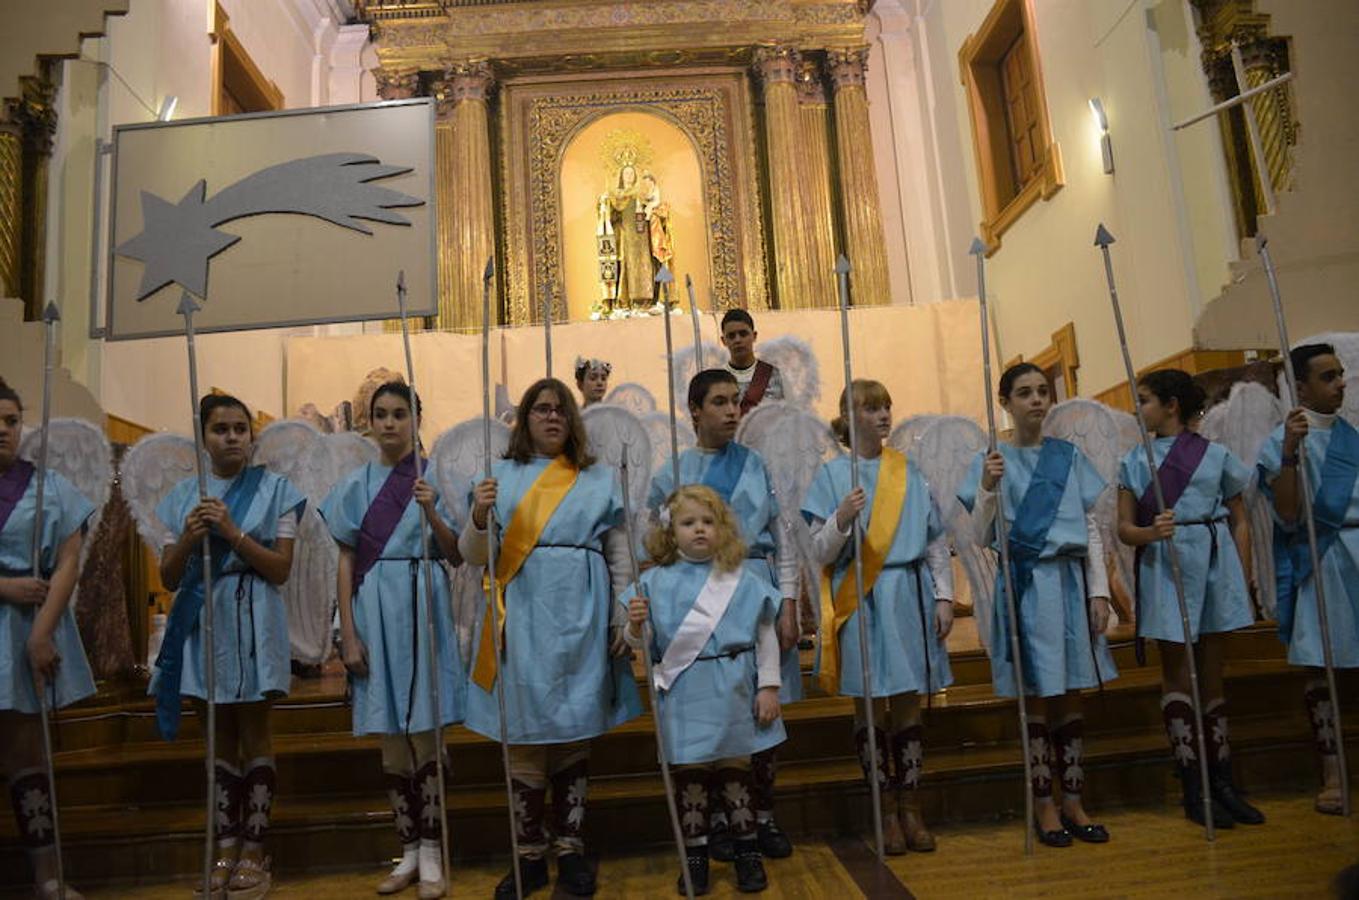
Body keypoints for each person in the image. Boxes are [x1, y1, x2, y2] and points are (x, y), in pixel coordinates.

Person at [461, 378, 641, 899]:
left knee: (572, 731)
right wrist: (478, 514)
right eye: (541, 408)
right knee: (525, 734)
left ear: (573, 419)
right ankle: (527, 857)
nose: (552, 417)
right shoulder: (499, 477)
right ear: (525, 418)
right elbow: (477, 557)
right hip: (522, 615)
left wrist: (620, 616)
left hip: (583, 612)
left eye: (560, 409)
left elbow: (620, 552)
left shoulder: (597, 477)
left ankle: (570, 850)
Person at [957, 362, 1117, 847]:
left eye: (1043, 392)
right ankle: (1043, 803)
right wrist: (987, 487)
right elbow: (983, 535)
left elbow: (1088, 528)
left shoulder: (1067, 457)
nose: (1036, 401)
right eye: (1024, 393)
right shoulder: (993, 460)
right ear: (1005, 401)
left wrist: (1099, 589)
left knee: (1071, 692)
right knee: (1037, 695)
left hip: (1069, 581)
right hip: (1026, 587)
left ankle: (1073, 798)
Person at [153, 393, 306, 896]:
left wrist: (232, 532)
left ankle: (256, 848)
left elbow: (280, 569)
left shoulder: (276, 490)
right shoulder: (183, 499)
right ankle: (224, 845)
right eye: (221, 429)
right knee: (218, 739)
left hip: (256, 617)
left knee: (255, 735)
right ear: (204, 436)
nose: (233, 437)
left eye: (241, 428)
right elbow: (170, 577)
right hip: (205, 621)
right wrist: (189, 538)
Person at [319, 382, 465, 899]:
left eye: (399, 414)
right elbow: (344, 559)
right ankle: (406, 849)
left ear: (416, 419)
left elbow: (455, 553)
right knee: (390, 735)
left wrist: (430, 511)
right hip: (373, 607)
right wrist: (348, 633)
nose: (389, 423)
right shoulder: (355, 484)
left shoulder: (433, 481)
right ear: (369, 421)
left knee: (424, 731)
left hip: (422, 603)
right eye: (380, 414)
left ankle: (432, 851)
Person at [648, 369, 799, 862]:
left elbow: (783, 537)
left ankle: (762, 816)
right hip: (696, 603)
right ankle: (714, 822)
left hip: (752, 590)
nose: (732, 410)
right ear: (694, 411)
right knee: (709, 722)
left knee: (762, 716)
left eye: (736, 401)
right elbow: (658, 549)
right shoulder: (671, 473)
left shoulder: (756, 465)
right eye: (719, 402)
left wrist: (790, 600)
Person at [801, 379, 954, 854]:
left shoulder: (909, 471)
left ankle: (911, 806)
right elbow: (818, 550)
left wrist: (945, 595)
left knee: (908, 705)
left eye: (886, 405)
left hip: (908, 592)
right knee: (869, 704)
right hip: (859, 598)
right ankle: (883, 810)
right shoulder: (830, 477)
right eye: (871, 408)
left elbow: (933, 540)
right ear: (848, 417)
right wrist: (842, 518)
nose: (884, 415)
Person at [1116, 369, 1264, 828]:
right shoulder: (1135, 462)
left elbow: (1239, 518)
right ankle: (1193, 785)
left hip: (1214, 561)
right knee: (1178, 674)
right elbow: (1122, 529)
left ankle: (1222, 782)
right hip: (1167, 566)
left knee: (1213, 677)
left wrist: (1241, 575)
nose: (1136, 410)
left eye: (1143, 400)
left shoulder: (1215, 455)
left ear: (1171, 405)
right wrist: (1149, 531)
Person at [623, 484, 785, 894]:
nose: (699, 530)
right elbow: (639, 645)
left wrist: (768, 685)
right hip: (683, 692)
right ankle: (694, 857)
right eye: (688, 522)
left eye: (708, 522)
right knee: (691, 778)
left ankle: (748, 851)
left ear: (722, 529)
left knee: (736, 774)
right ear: (670, 531)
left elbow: (764, 634)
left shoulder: (741, 579)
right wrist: (635, 625)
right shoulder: (654, 583)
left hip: (733, 687)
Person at [0, 378, 98, 900]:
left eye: (12, 421)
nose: (3, 430)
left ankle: (48, 877)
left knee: (27, 757)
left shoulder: (48, 487)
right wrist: (2, 586)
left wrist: (41, 632)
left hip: (24, 630)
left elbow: (67, 562)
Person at [1257, 343, 1357, 816]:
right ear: (1300, 387)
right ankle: (1333, 771)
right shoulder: (1279, 442)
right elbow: (1289, 512)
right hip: (1322, 560)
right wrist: (1291, 453)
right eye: (1328, 377)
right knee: (1322, 670)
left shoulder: (1353, 436)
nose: (1340, 384)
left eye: (1340, 375)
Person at [719, 310, 784, 417]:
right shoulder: (717, 378)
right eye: (731, 336)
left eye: (743, 334)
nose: (738, 340)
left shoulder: (773, 374)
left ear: (754, 336)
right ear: (723, 341)